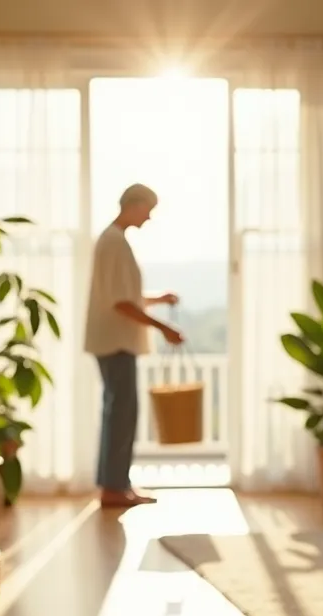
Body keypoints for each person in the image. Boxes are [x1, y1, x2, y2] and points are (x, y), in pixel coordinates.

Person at [83, 183, 184, 508]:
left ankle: (116, 484)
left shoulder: (114, 240)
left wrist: (158, 299)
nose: (150, 217)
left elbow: (127, 296)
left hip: (114, 341)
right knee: (121, 413)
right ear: (134, 204)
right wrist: (163, 328)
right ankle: (113, 488)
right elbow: (121, 303)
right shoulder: (113, 243)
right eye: (148, 209)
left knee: (120, 412)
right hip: (115, 342)